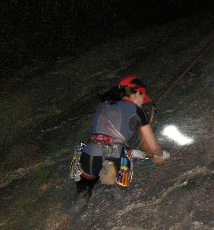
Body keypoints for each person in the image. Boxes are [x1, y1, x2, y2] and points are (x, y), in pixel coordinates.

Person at [71, 76, 169, 212]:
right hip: (114, 159)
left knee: (87, 177)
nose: (142, 102)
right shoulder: (137, 111)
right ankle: (113, 187)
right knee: (121, 157)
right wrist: (161, 154)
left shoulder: (102, 106)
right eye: (143, 98)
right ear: (137, 93)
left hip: (88, 158)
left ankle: (84, 191)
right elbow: (151, 147)